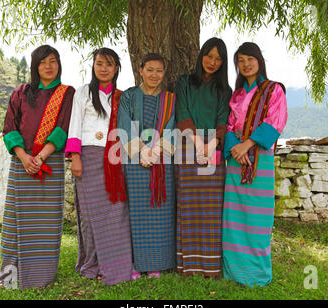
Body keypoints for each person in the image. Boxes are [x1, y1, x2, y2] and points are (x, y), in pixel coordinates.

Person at [0, 45, 75, 289]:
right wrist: (24, 157)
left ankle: (41, 278)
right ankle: (10, 279)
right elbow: (10, 128)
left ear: (59, 64)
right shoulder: (20, 93)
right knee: (14, 223)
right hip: (22, 165)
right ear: (35, 66)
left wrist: (40, 157)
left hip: (49, 163)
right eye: (43, 62)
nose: (48, 66)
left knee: (45, 225)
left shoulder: (66, 93)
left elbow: (63, 128)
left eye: (53, 61)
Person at [65, 48, 133, 285]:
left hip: (115, 159)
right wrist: (75, 156)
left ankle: (114, 264)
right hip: (88, 155)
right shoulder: (83, 92)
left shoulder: (122, 96)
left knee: (116, 213)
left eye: (109, 64)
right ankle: (92, 264)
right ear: (93, 66)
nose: (104, 68)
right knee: (89, 215)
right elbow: (75, 124)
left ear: (116, 69)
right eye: (100, 63)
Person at [222, 42, 288, 287]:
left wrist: (246, 145)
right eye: (240, 60)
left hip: (259, 159)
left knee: (258, 219)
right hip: (235, 160)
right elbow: (229, 125)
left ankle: (257, 274)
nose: (246, 64)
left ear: (259, 61)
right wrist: (235, 150)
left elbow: (275, 122)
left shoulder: (274, 90)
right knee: (234, 217)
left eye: (250, 59)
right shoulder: (237, 94)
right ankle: (234, 270)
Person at [175, 37, 232, 277]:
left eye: (218, 59)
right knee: (189, 206)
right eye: (209, 56)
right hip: (188, 145)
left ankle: (211, 265)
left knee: (211, 209)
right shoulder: (184, 82)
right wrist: (198, 142)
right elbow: (183, 111)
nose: (212, 62)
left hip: (214, 149)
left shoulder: (224, 90)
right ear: (201, 56)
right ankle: (187, 265)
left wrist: (211, 145)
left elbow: (222, 120)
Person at [117, 53, 176, 279]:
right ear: (140, 70)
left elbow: (171, 127)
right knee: (135, 215)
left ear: (164, 73)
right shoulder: (129, 97)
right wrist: (141, 151)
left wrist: (155, 152)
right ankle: (136, 263)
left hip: (161, 164)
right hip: (134, 163)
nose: (154, 75)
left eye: (159, 70)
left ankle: (157, 264)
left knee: (160, 213)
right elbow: (123, 124)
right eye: (149, 69)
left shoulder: (170, 99)